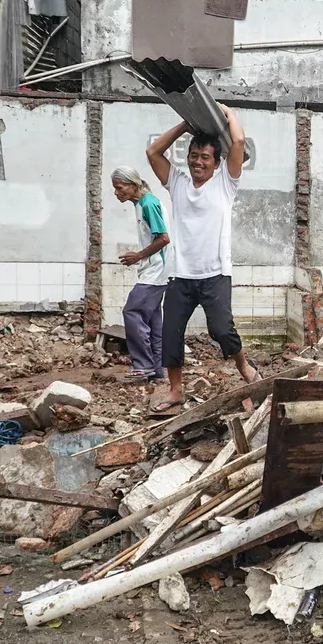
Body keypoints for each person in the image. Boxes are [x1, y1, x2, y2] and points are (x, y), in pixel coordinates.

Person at [145, 105, 258, 414]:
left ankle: (245, 368)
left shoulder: (225, 184)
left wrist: (230, 114)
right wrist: (186, 123)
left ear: (216, 162)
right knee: (171, 334)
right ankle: (176, 390)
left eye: (205, 157)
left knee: (222, 329)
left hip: (215, 274)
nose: (198, 162)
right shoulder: (178, 183)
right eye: (193, 156)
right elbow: (153, 152)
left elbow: (237, 144)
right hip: (181, 275)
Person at [111, 165, 170, 384]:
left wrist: (138, 256)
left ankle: (143, 365)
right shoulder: (140, 204)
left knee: (132, 311)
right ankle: (158, 371)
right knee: (154, 320)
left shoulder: (148, 203)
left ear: (133, 185)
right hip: (155, 269)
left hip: (156, 271)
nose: (117, 193)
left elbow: (163, 238)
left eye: (119, 188)